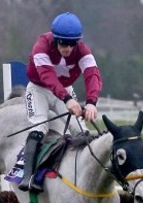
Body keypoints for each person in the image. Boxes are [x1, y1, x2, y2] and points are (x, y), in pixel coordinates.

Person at [19, 11, 103, 192]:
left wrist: (91, 102)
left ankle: (85, 177)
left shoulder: (83, 50)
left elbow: (92, 75)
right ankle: (28, 175)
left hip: (64, 91)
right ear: (55, 39)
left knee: (82, 132)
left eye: (72, 44)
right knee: (39, 128)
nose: (67, 48)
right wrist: (67, 99)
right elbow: (47, 76)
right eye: (63, 43)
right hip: (38, 89)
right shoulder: (41, 46)